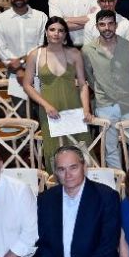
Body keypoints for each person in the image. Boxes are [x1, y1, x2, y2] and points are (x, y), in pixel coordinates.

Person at [23, 17, 93, 168]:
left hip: (74, 107)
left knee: (81, 150)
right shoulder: (35, 55)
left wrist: (86, 109)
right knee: (54, 152)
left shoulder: (74, 53)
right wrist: (46, 105)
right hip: (49, 109)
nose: (56, 33)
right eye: (52, 29)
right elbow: (27, 85)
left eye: (61, 30)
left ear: (65, 34)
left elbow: (83, 84)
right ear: (46, 32)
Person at [83, 10, 129, 170]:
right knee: (110, 149)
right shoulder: (88, 50)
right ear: (97, 27)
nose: (107, 28)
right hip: (105, 105)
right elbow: (89, 77)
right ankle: (118, 180)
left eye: (110, 23)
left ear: (116, 25)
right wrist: (102, 90)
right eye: (102, 24)